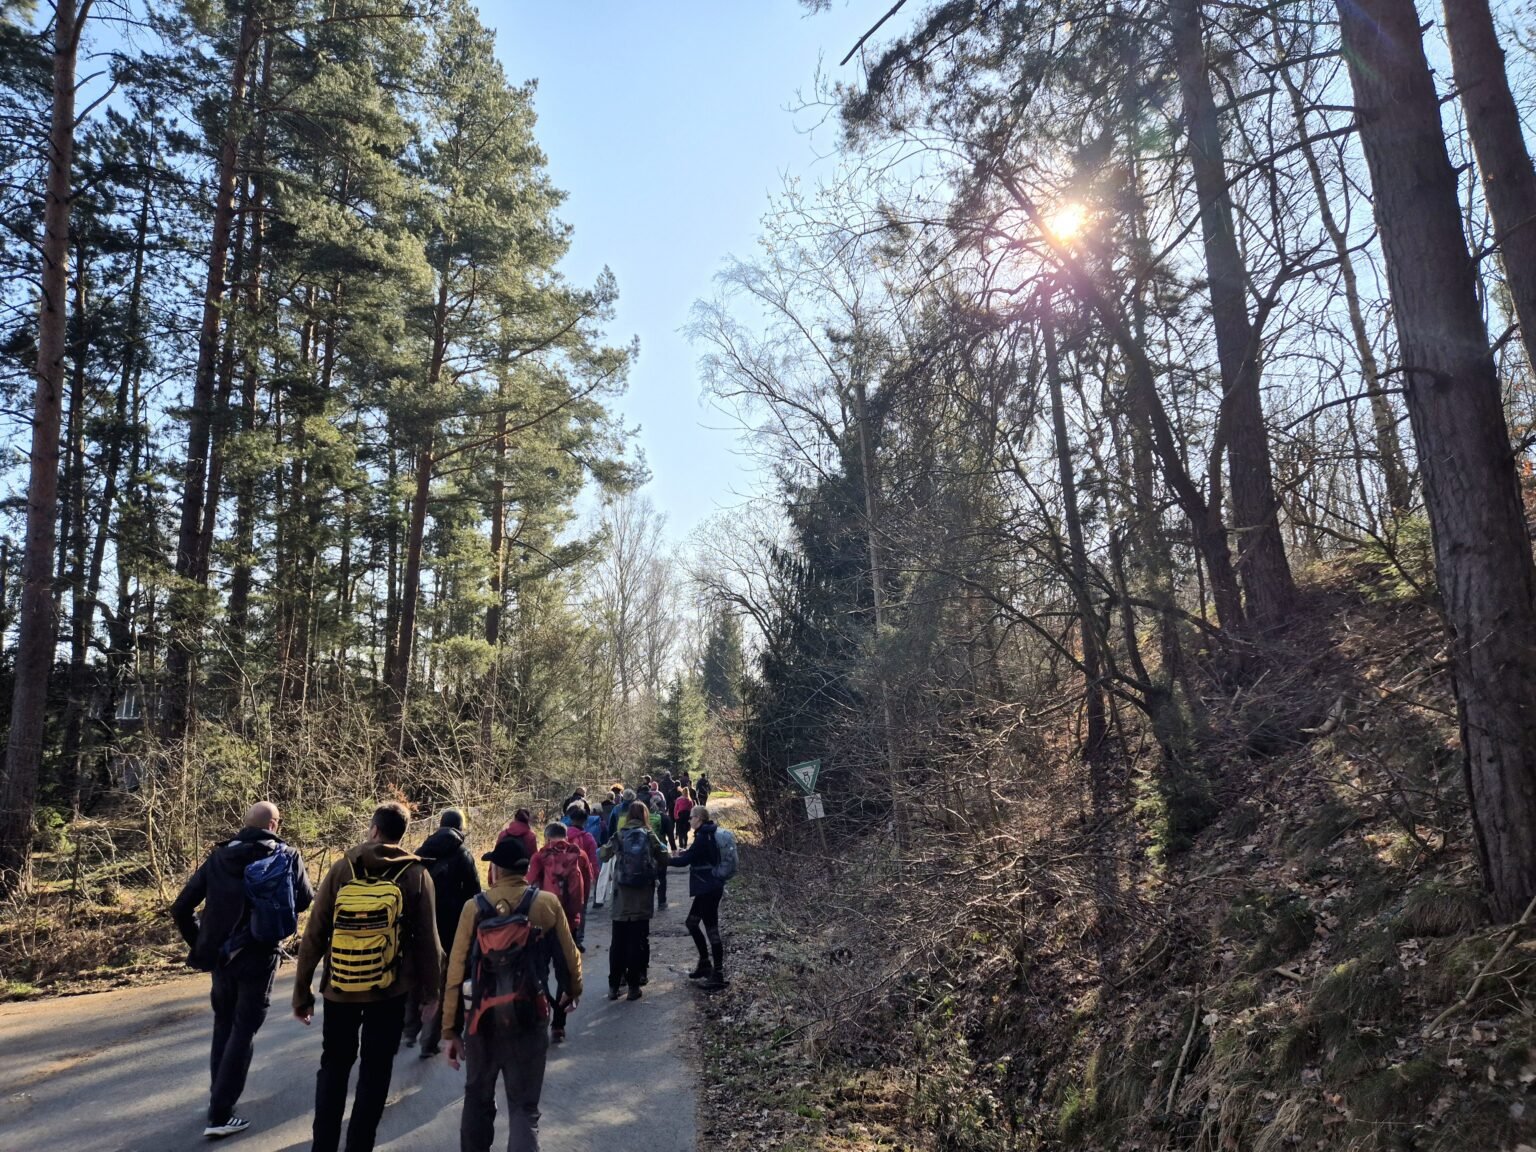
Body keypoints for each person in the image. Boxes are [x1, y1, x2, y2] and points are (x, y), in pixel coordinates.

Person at [293, 802, 441, 1152]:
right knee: (376, 1072)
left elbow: (314, 935)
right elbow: (429, 943)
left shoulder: (342, 868)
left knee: (334, 1067)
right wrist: (431, 994)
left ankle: (323, 1147)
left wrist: (302, 993)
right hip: (389, 990)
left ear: (374, 829)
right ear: (402, 834)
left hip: (340, 987)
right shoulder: (416, 874)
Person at [171, 800, 314, 1140]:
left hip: (221, 957)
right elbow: (305, 899)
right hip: (260, 954)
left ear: (246, 823)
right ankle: (221, 1112)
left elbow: (181, 908)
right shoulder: (286, 855)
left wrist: (202, 943)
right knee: (243, 1030)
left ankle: (218, 1099)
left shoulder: (219, 857)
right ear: (274, 825)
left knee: (224, 1023)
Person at [442, 837, 581, 1152]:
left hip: (482, 1021)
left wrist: (450, 1030)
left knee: (477, 1099)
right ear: (525, 869)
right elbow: (569, 956)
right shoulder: (546, 903)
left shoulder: (473, 908)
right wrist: (572, 991)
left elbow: (455, 972)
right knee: (524, 1108)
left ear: (495, 870)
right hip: (529, 1017)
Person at [405, 808, 481, 1057]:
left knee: (417, 976)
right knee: (443, 980)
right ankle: (429, 1043)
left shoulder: (421, 851)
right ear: (460, 827)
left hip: (420, 924)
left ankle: (409, 1030)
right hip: (451, 926)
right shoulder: (463, 854)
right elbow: (474, 893)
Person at [599, 801, 668, 1000]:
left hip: (621, 897)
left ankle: (613, 986)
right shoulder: (649, 835)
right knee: (637, 941)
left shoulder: (619, 835)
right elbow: (665, 857)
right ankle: (633, 987)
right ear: (645, 815)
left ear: (629, 816)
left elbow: (603, 855)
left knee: (618, 942)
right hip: (642, 897)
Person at [668, 804, 731, 990]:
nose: (689, 820)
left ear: (699, 819)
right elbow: (695, 855)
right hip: (709, 887)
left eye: (691, 817)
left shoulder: (703, 836)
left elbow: (686, 861)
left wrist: (665, 861)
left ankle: (718, 975)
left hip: (708, 889)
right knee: (692, 923)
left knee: (712, 931)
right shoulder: (707, 834)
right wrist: (683, 854)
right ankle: (705, 964)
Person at [528, 821, 591, 956]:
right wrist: (579, 907)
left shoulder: (539, 857)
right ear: (566, 837)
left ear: (546, 839)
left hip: (547, 916)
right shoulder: (580, 855)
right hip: (572, 917)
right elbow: (587, 883)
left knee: (545, 960)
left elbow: (531, 884)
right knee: (568, 960)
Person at [562, 803, 600, 893]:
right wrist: (596, 875)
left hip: (564, 875)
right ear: (586, 820)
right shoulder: (588, 838)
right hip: (583, 876)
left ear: (571, 819)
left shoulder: (563, 835)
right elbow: (593, 859)